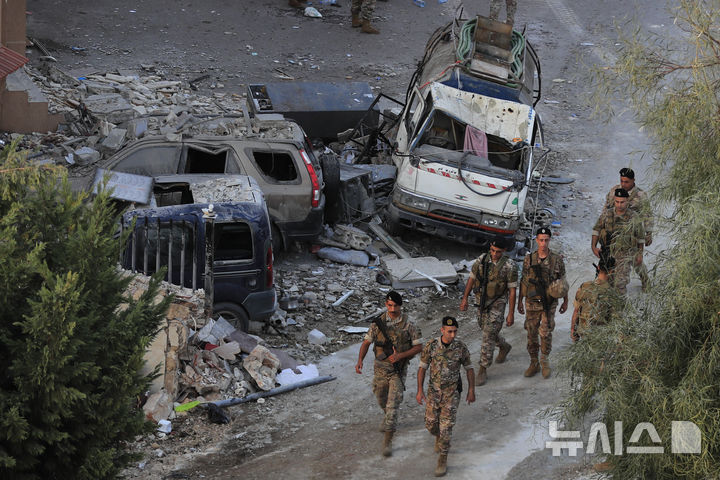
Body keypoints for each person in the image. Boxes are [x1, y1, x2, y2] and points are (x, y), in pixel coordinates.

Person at [355, 291, 422, 457]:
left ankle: (388, 440)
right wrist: (360, 361)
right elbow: (366, 343)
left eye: (396, 306)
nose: (392, 309)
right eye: (389, 305)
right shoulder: (378, 323)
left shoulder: (409, 324)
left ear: (400, 306)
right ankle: (387, 417)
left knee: (393, 406)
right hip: (380, 369)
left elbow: (418, 347)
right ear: (386, 304)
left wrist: (400, 356)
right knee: (380, 397)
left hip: (397, 371)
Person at [416, 316, 475, 477]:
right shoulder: (432, 346)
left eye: (455, 331)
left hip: (452, 393)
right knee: (430, 424)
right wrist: (420, 390)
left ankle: (443, 458)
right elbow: (422, 368)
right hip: (433, 393)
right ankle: (438, 436)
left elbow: (469, 368)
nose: (453, 335)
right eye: (449, 331)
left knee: (446, 427)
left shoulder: (460, 347)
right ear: (442, 330)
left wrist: (471, 390)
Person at [459, 239, 517, 386]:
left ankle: (483, 368)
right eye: (492, 250)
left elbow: (512, 291)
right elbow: (471, 279)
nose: (494, 254)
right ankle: (503, 345)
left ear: (504, 251)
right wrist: (465, 298)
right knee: (485, 328)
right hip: (481, 301)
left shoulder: (509, 266)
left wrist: (511, 313)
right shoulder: (482, 260)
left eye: (498, 251)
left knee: (488, 334)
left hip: (498, 302)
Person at [517, 227, 568, 379]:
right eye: (541, 240)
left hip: (549, 302)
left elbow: (563, 282)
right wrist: (519, 301)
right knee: (531, 333)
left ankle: (544, 361)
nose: (543, 243)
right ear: (536, 240)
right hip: (532, 302)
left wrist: (565, 301)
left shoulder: (556, 260)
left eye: (546, 240)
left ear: (549, 240)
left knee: (545, 333)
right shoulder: (529, 259)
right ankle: (534, 363)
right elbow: (524, 281)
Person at [604, 168, 652, 290]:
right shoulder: (614, 191)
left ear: (633, 181)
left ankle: (645, 279)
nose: (623, 184)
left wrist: (648, 233)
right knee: (614, 259)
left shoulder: (641, 196)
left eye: (626, 182)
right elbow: (607, 208)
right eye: (622, 181)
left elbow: (647, 215)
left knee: (637, 260)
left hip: (633, 235)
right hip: (615, 233)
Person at [592, 188, 645, 295]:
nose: (619, 205)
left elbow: (640, 237)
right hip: (608, 252)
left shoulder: (634, 217)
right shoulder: (606, 215)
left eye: (622, 202)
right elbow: (596, 230)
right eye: (617, 202)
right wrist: (593, 246)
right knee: (603, 282)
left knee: (620, 284)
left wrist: (640, 254)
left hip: (625, 254)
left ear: (628, 201)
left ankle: (619, 307)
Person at [571, 256, 617, 341]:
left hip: (584, 332)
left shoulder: (584, 286)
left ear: (598, 267)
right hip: (600, 337)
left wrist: (573, 331)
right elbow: (614, 320)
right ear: (612, 271)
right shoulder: (611, 294)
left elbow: (576, 311)